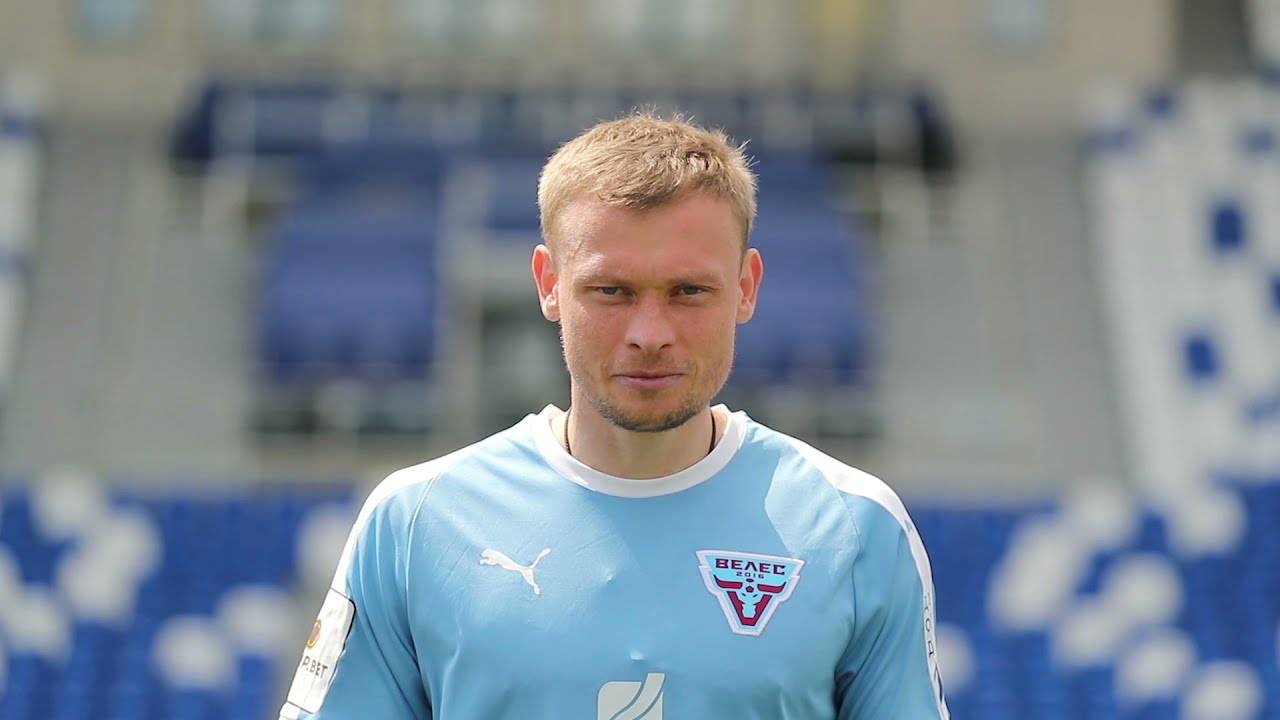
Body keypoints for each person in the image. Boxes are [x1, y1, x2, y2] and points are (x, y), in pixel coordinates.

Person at [279, 113, 949, 719]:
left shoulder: (854, 528)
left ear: (746, 287)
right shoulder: (414, 522)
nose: (649, 333)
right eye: (611, 291)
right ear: (548, 284)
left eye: (688, 291)